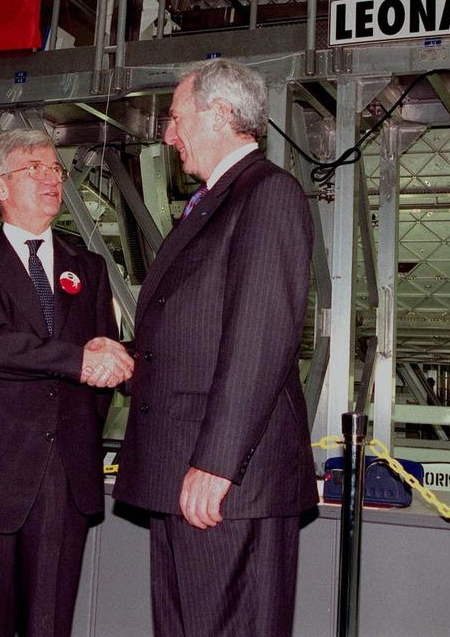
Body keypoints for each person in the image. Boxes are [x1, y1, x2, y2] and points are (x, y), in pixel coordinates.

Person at [113, 59, 318, 637]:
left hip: (226, 483)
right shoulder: (214, 200)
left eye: (176, 118)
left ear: (220, 114)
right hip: (188, 473)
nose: (167, 134)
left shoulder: (267, 195)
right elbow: (199, 331)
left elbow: (259, 340)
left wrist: (216, 462)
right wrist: (129, 355)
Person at [0, 127, 134, 637]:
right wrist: (77, 361)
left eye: (56, 169)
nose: (51, 179)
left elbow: (101, 352)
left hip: (65, 470)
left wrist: (110, 367)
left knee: (50, 622)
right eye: (34, 169)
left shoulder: (88, 266)